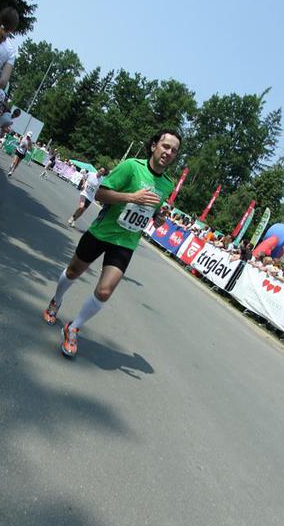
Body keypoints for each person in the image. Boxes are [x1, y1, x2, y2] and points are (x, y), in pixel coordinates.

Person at [42, 130, 181, 358]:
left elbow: (152, 210)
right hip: (102, 231)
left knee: (105, 291)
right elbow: (100, 194)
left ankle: (73, 328)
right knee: (73, 271)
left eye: (174, 151)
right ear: (154, 145)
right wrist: (131, 197)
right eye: (165, 146)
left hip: (126, 241)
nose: (169, 152)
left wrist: (158, 218)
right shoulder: (131, 166)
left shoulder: (167, 184)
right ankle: (56, 301)